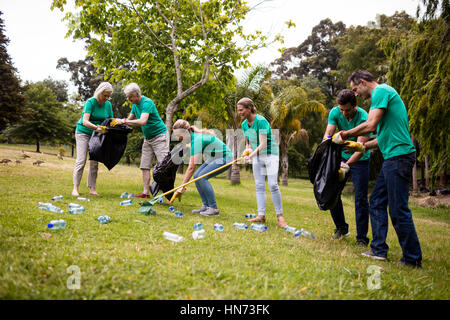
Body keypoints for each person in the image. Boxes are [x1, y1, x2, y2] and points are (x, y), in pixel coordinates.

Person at [333, 69, 422, 267]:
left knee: (398, 209)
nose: (356, 94)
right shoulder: (383, 95)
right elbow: (381, 137)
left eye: (356, 89)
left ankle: (412, 258)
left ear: (363, 82)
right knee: (377, 201)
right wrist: (362, 146)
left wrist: (347, 134)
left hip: (399, 157)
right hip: (393, 156)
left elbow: (371, 125)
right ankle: (379, 249)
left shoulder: (381, 91)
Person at [323, 89, 371, 246]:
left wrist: (347, 166)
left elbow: (360, 147)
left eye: (347, 110)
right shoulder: (335, 112)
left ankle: (362, 239)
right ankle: (341, 228)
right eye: (341, 109)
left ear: (355, 106)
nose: (343, 114)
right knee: (332, 192)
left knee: (360, 199)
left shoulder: (364, 117)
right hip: (341, 156)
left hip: (360, 159)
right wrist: (328, 144)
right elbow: (327, 136)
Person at [236, 97, 288, 228]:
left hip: (270, 154)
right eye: (238, 110)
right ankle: (261, 216)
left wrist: (251, 156)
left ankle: (280, 216)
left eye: (241, 110)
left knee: (273, 185)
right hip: (257, 155)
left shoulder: (261, 121)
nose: (239, 113)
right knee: (259, 185)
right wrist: (247, 151)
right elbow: (248, 142)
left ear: (249, 108)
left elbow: (263, 144)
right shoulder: (243, 125)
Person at [117, 83, 169, 198]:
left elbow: (142, 121)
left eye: (130, 96)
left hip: (160, 136)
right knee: (145, 165)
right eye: (127, 97)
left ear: (137, 95)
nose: (128, 99)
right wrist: (118, 124)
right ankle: (145, 192)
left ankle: (168, 193)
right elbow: (129, 120)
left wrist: (124, 121)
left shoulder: (147, 103)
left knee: (164, 167)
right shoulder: (135, 105)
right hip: (148, 138)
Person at [172, 119, 233, 216]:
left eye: (180, 135)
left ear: (187, 132)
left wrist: (181, 187)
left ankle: (213, 208)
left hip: (225, 157)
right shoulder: (194, 139)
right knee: (197, 176)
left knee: (202, 177)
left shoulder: (196, 140)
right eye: (176, 136)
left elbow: (191, 167)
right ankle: (206, 206)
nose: (179, 138)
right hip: (215, 157)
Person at [72, 82, 114, 197]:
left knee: (95, 161)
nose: (106, 98)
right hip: (83, 132)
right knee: (81, 160)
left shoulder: (108, 104)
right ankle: (75, 188)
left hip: (97, 135)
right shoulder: (90, 102)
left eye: (108, 96)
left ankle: (92, 188)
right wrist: (97, 127)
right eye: (105, 95)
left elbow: (110, 120)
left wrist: (117, 124)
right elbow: (85, 121)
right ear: (99, 92)